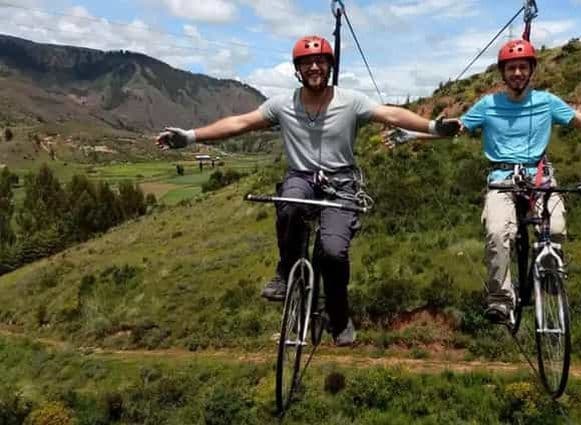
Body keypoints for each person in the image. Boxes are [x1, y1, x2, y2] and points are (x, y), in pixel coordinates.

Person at [157, 35, 459, 345]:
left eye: (320, 61)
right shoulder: (282, 104)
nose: (314, 67)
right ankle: (286, 273)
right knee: (291, 206)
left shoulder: (351, 101)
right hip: (300, 176)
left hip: (341, 182)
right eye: (306, 63)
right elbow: (240, 123)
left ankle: (339, 318)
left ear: (330, 66)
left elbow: (392, 115)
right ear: (297, 70)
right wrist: (190, 137)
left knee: (333, 252)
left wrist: (433, 128)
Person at [385, 39, 581, 325]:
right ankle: (501, 300)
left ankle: (547, 275)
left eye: (522, 67)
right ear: (503, 73)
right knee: (496, 232)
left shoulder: (547, 102)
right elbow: (452, 129)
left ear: (531, 70)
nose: (517, 73)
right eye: (511, 68)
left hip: (539, 177)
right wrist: (411, 135)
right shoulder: (488, 105)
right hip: (502, 179)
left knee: (555, 228)